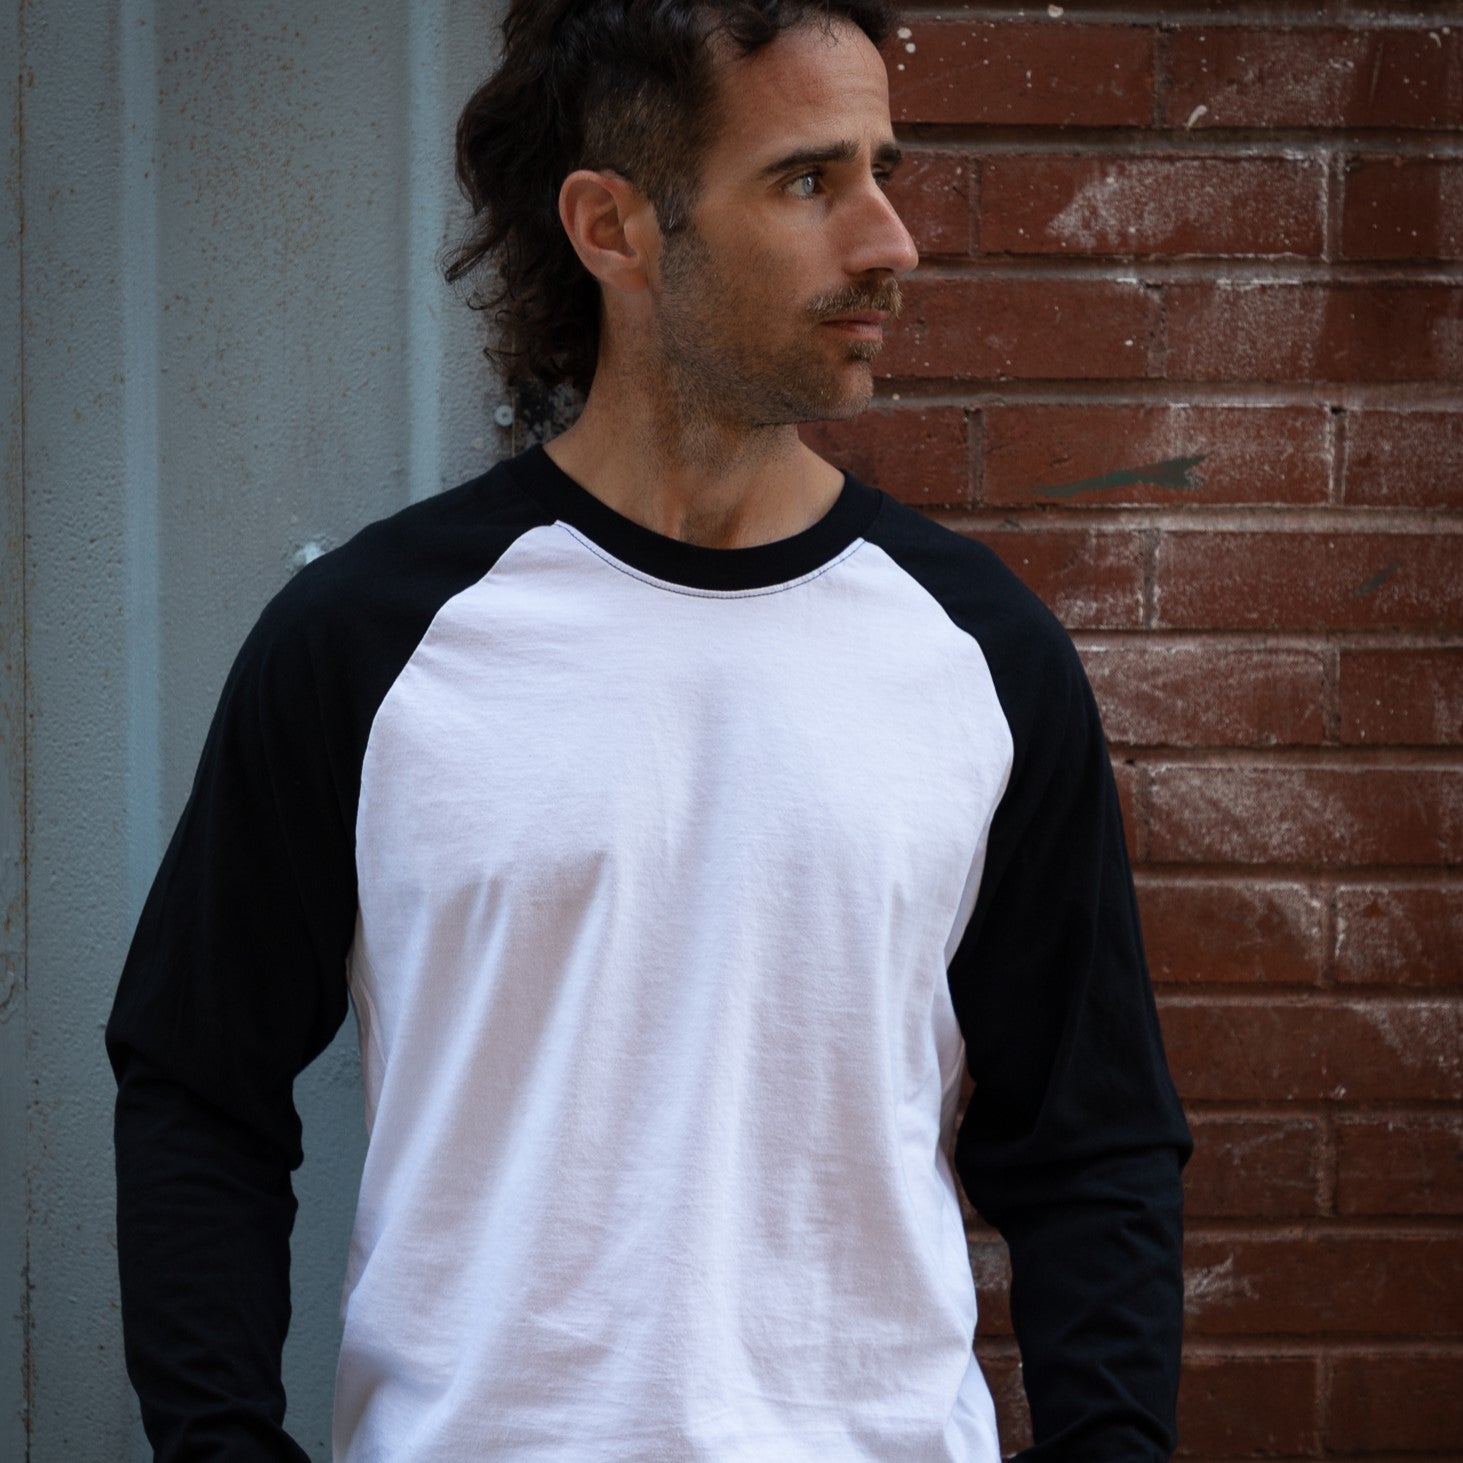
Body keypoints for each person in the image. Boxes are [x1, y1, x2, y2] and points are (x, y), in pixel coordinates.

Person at [108, 2, 1192, 1459]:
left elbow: (1095, 1144)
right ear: (612, 228)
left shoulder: (982, 653)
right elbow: (198, 1088)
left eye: (882, 170)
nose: (891, 240)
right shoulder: (370, 643)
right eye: (807, 181)